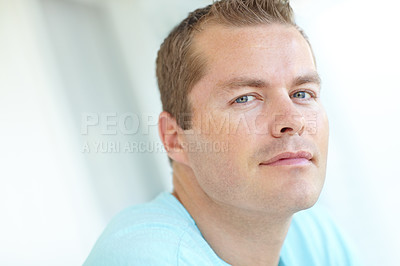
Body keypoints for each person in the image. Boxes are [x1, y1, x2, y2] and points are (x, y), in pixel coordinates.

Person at [85, 0, 359, 265]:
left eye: (302, 93)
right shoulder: (142, 258)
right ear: (175, 139)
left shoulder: (316, 236)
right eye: (245, 98)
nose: (293, 121)